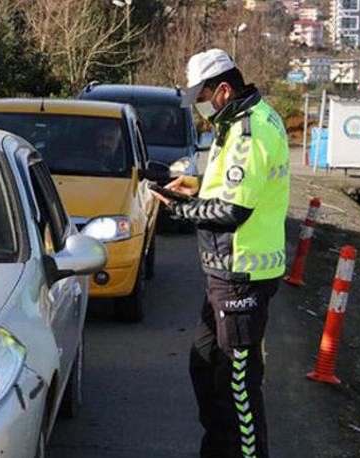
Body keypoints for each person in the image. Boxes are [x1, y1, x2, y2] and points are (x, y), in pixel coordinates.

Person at [150, 49, 290, 458]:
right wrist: (194, 186)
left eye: (201, 97)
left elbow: (232, 211)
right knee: (205, 366)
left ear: (223, 89)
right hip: (226, 276)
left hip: (242, 275)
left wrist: (178, 209)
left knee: (238, 386)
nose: (199, 108)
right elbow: (234, 187)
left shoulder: (249, 130)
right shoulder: (239, 121)